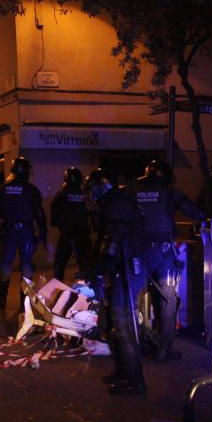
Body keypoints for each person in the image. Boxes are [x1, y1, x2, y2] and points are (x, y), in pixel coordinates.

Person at [131, 160, 205, 362]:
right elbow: (194, 213)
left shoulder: (134, 192)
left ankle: (134, 346)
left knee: (131, 298)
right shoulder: (171, 193)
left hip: (136, 252)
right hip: (163, 252)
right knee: (168, 300)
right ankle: (164, 350)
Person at [84, 168, 146, 395]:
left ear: (101, 187)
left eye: (92, 189)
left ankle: (135, 380)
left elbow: (114, 239)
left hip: (128, 268)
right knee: (111, 322)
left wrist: (101, 269)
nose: (90, 194)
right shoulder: (112, 202)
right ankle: (123, 371)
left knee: (123, 325)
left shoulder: (117, 204)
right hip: (121, 267)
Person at [0, 156, 47, 309]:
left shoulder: (4, 189)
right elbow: (40, 215)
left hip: (9, 231)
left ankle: (1, 297)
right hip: (26, 232)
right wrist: (43, 236)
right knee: (27, 265)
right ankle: (25, 300)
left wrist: (1, 232)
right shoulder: (32, 190)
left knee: (5, 265)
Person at [50, 166, 92, 281]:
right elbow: (91, 211)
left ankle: (59, 289)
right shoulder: (85, 194)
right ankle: (86, 290)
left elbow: (55, 213)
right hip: (82, 234)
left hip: (66, 234)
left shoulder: (62, 194)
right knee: (84, 264)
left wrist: (61, 226)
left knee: (59, 263)